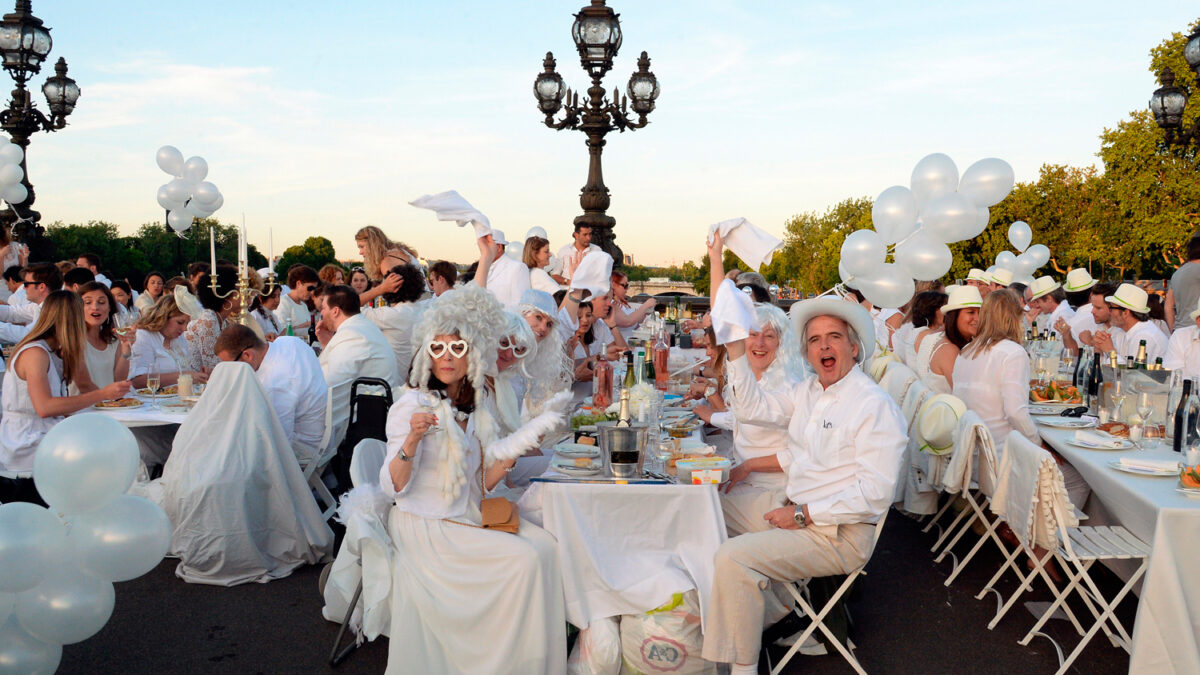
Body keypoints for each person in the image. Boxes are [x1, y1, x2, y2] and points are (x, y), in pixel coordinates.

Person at [701, 262, 905, 672]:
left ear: (853, 347)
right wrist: (737, 351)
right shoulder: (810, 389)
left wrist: (801, 514)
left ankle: (741, 665)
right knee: (701, 507)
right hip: (797, 507)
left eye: (833, 338)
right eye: (814, 340)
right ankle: (730, 620)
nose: (823, 347)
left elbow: (875, 494)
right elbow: (753, 409)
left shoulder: (872, 405)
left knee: (733, 558)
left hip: (837, 533)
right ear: (807, 350)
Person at [379, 284, 566, 673]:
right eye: (438, 348)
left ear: (472, 357)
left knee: (548, 548)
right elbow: (392, 486)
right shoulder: (410, 405)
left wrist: (517, 446)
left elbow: (481, 484)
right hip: (429, 527)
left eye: (458, 349)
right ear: (426, 354)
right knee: (525, 561)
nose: (447, 358)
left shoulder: (472, 408)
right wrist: (412, 439)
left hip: (464, 515)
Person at [701, 234, 805, 536]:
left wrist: (747, 467)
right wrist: (715, 258)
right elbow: (724, 316)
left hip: (774, 495)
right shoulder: (754, 376)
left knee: (698, 508)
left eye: (769, 336)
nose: (759, 343)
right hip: (745, 482)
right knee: (693, 490)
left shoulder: (792, 385)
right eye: (752, 334)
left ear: (781, 344)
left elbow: (799, 454)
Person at [0, 291, 131, 489]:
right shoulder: (35, 353)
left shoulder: (54, 351)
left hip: (46, 439)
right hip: (27, 449)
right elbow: (44, 407)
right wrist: (103, 395)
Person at [215, 325, 328, 463]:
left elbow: (277, 443)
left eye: (231, 366)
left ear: (247, 355)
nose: (230, 371)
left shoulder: (275, 384)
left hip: (305, 446)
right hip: (321, 433)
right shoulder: (289, 341)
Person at [317, 283, 402, 400]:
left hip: (363, 412)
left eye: (323, 308)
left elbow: (329, 382)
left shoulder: (352, 335)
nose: (321, 313)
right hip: (366, 404)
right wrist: (326, 344)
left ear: (335, 311)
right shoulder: (361, 326)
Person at [361, 262, 426, 382]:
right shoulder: (422, 310)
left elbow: (349, 306)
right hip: (413, 383)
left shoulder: (393, 315)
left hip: (393, 385)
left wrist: (380, 289)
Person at [67, 282, 134, 394]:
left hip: (109, 406)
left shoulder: (114, 339)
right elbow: (83, 384)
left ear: (109, 308)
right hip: (82, 408)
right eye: (88, 302)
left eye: (101, 302)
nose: (95, 307)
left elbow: (119, 380)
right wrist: (106, 400)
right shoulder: (72, 339)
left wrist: (126, 349)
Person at [129, 295, 208, 388]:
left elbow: (186, 369)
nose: (184, 329)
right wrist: (184, 376)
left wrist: (200, 375)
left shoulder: (179, 338)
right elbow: (138, 381)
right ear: (163, 317)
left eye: (187, 323)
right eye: (180, 322)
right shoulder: (144, 336)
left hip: (177, 398)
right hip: (151, 400)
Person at [184, 265, 241, 372]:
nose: (243, 295)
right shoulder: (208, 320)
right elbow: (214, 366)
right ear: (226, 294)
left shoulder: (222, 321)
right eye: (238, 290)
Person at [1093, 283, 1169, 363]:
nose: (1109, 312)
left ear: (1125, 313)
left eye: (1111, 308)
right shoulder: (1122, 332)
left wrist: (1110, 351)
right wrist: (1099, 349)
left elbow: (1133, 373)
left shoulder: (1145, 336)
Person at [927, 285, 981, 393]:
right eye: (971, 312)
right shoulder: (949, 350)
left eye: (980, 313)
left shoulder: (959, 343)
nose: (978, 318)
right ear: (954, 315)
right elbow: (966, 394)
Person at [0, 263, 61, 343]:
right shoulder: (40, 306)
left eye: (26, 284)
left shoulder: (54, 308)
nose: (24, 288)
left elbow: (27, 335)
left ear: (41, 287)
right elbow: (12, 312)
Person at [909, 290, 951, 393]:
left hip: (918, 389)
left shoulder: (914, 331)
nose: (948, 312)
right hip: (926, 392)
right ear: (932, 310)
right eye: (944, 308)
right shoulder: (929, 335)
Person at [481, 230, 530, 309]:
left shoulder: (518, 268)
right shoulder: (482, 269)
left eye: (486, 246)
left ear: (499, 247)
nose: (482, 250)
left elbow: (520, 305)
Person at [609, 270, 656, 342]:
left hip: (629, 344)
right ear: (613, 285)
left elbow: (633, 324)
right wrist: (646, 305)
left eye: (627, 285)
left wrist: (643, 313)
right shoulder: (611, 304)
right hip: (619, 347)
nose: (627, 289)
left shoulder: (621, 303)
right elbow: (627, 322)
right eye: (624, 285)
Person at [1166, 233, 1200, 332]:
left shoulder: (1177, 273)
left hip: (1180, 330)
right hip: (1196, 329)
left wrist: (1173, 330)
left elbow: (1168, 306)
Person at [275, 264, 319, 339]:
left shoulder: (303, 305)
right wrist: (306, 325)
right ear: (298, 284)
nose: (312, 292)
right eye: (310, 288)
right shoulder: (283, 303)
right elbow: (282, 333)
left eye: (314, 289)